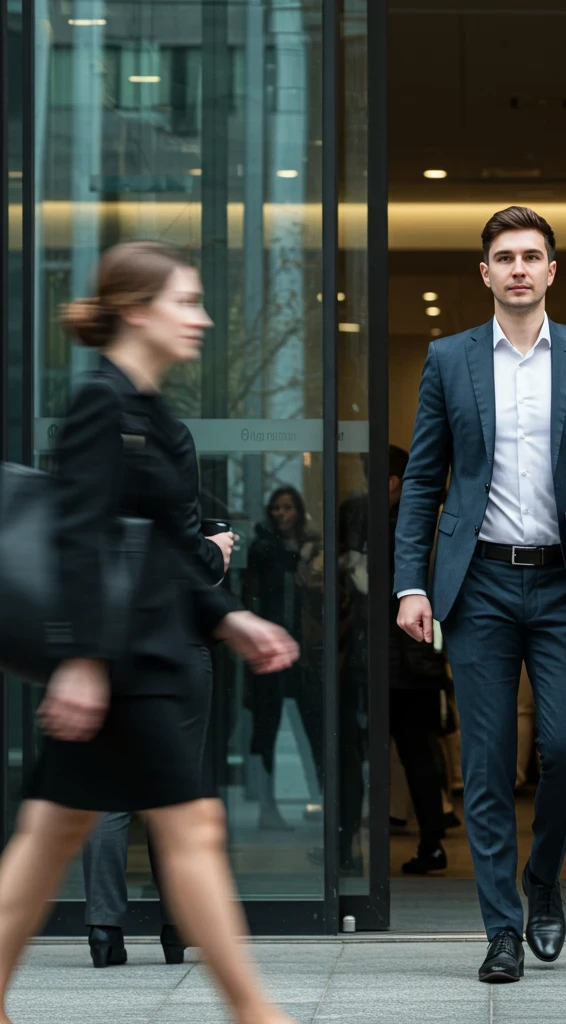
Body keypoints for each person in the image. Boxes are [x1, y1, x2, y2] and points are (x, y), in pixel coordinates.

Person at [0, 241, 299, 1024]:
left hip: (142, 655)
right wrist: (84, 661)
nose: (200, 318)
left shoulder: (150, 409)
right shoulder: (103, 403)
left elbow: (162, 549)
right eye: (185, 302)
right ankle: (255, 1013)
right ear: (137, 311)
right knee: (189, 829)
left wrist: (228, 616)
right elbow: (81, 536)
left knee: (46, 841)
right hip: (122, 667)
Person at [394, 205, 566, 982]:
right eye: (503, 256)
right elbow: (423, 486)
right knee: (487, 760)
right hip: (479, 586)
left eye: (530, 256)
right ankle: (502, 927)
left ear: (550, 270)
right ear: (485, 272)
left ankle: (543, 878)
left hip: (564, 584)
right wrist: (412, 582)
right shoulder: (448, 359)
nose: (517, 268)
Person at [82, 420, 235, 968]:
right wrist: (216, 550)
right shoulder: (169, 447)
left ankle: (104, 930)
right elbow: (180, 558)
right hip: (175, 648)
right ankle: (178, 928)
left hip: (105, 648)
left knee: (109, 793)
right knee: (173, 791)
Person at [243, 486, 323, 830]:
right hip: (270, 649)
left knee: (314, 731)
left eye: (287, 507)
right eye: (275, 507)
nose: (281, 513)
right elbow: (252, 596)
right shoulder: (262, 549)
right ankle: (267, 808)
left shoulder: (313, 549)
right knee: (266, 731)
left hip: (306, 655)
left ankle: (322, 803)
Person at [387, 444, 450, 874]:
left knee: (414, 753)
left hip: (406, 661)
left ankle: (431, 840)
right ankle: (432, 839)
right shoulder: (427, 525)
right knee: (419, 753)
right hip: (418, 661)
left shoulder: (406, 527)